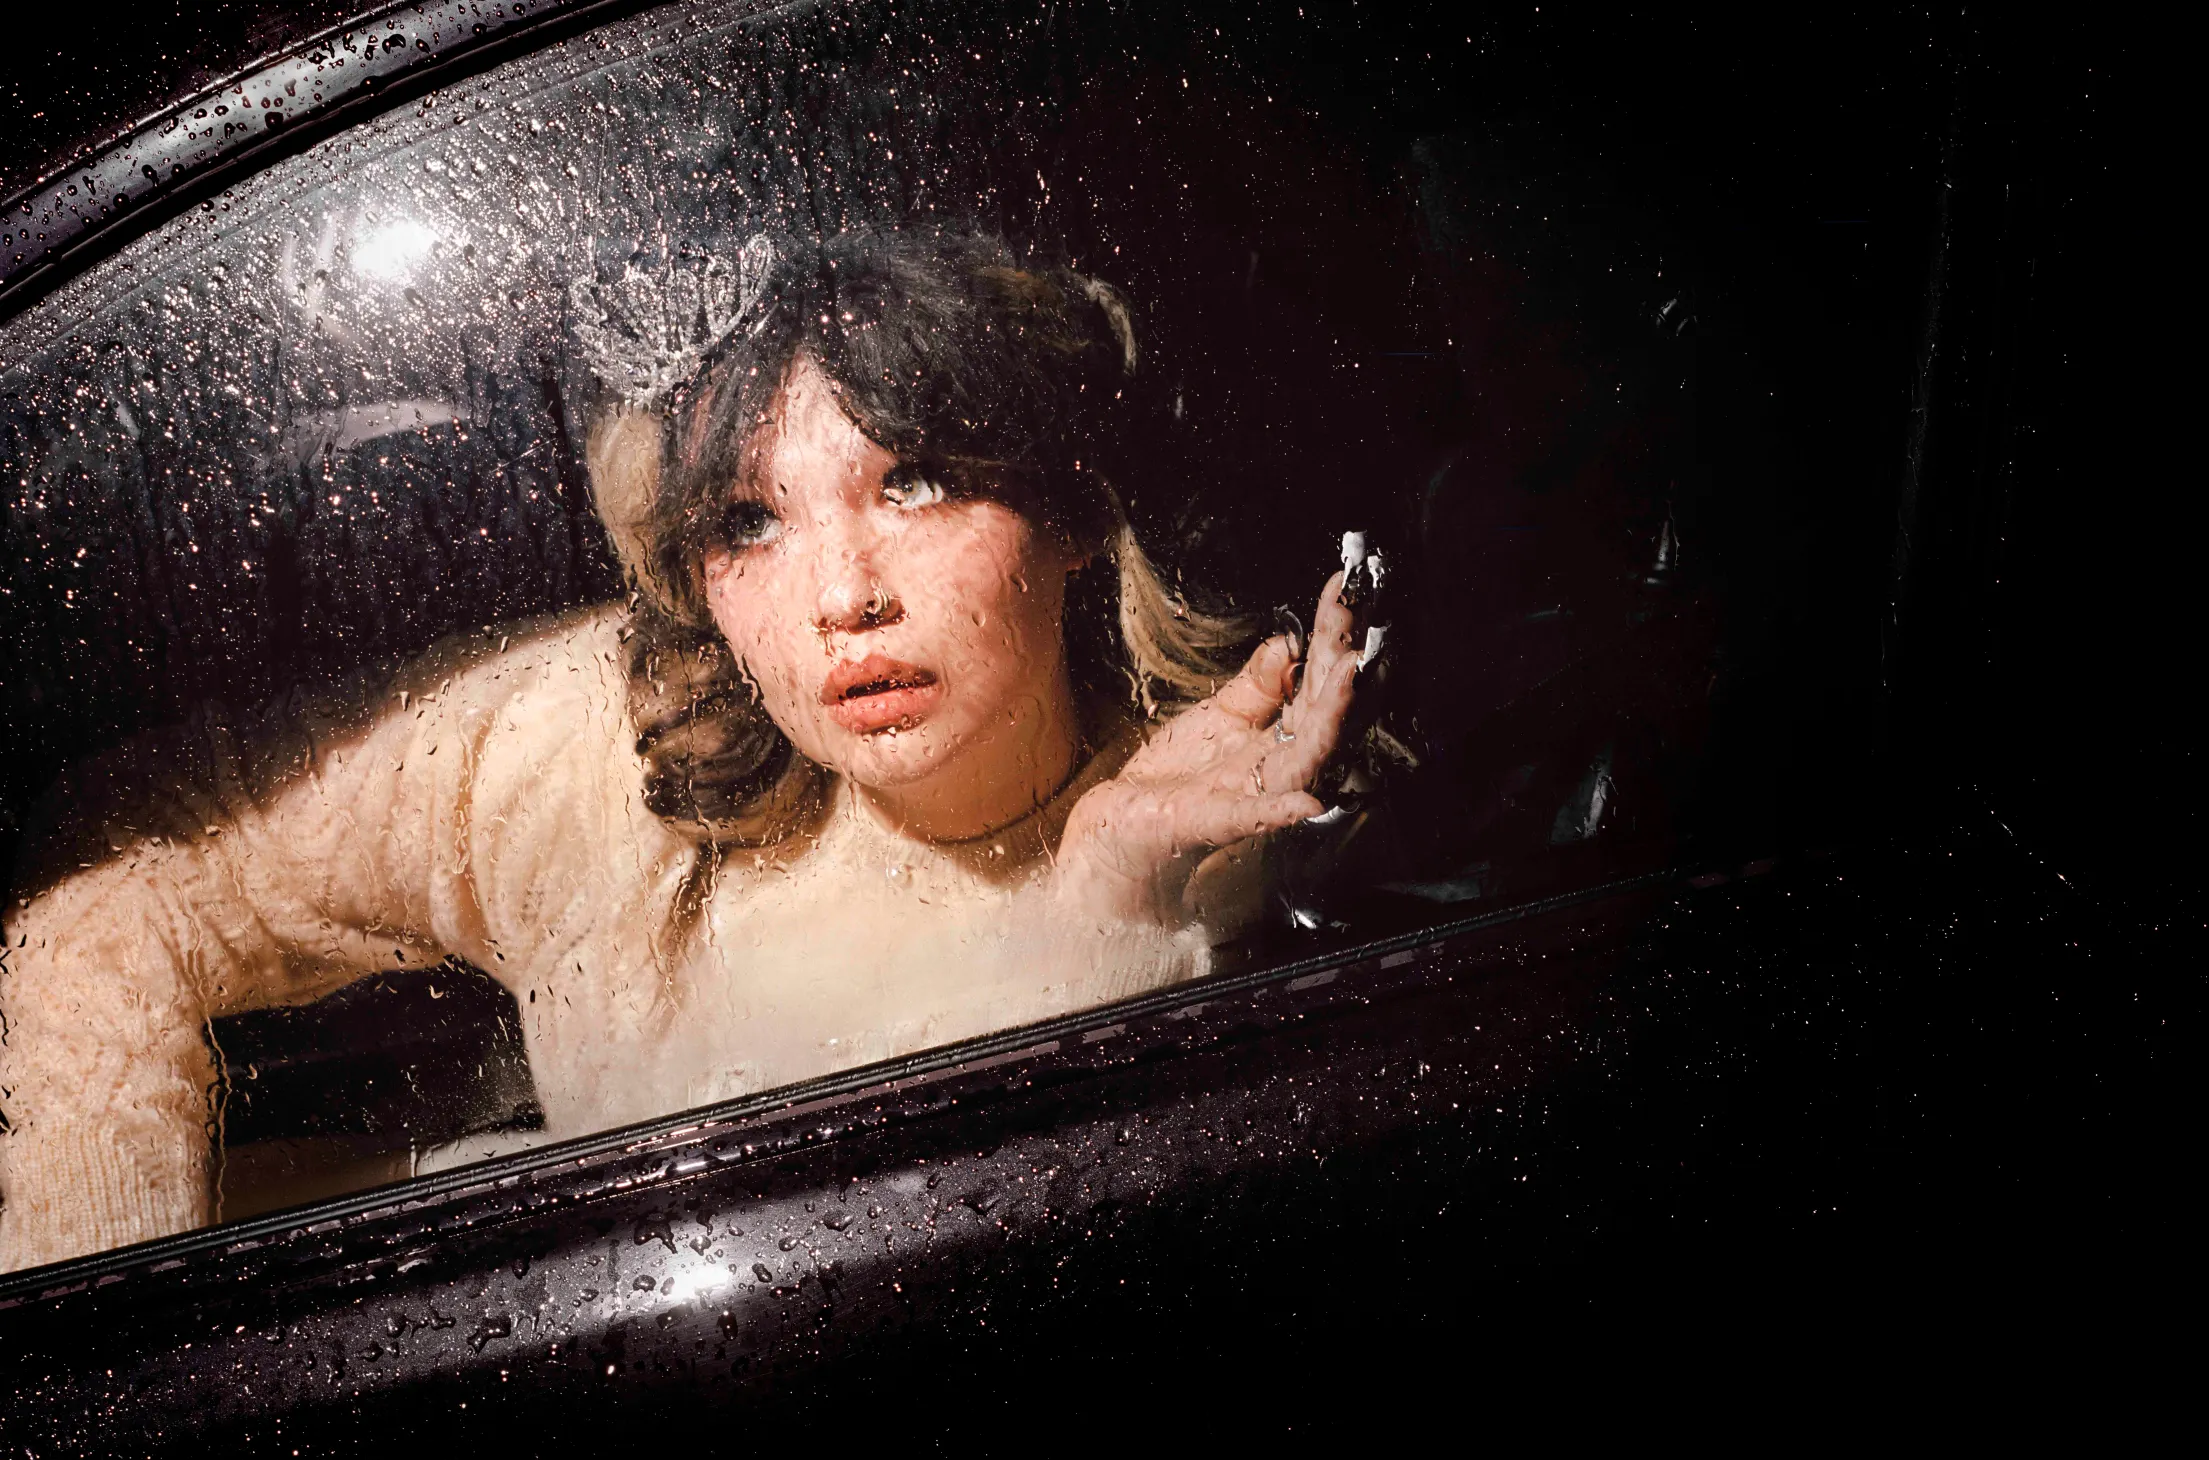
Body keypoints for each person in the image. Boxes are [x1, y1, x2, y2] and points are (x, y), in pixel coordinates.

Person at [0, 230, 1366, 1270]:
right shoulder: (601, 750)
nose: (844, 598)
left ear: (1069, 513)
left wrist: (1103, 917)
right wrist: (117, 1364)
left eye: (914, 482)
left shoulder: (1213, 834)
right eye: (750, 523)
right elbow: (107, 883)